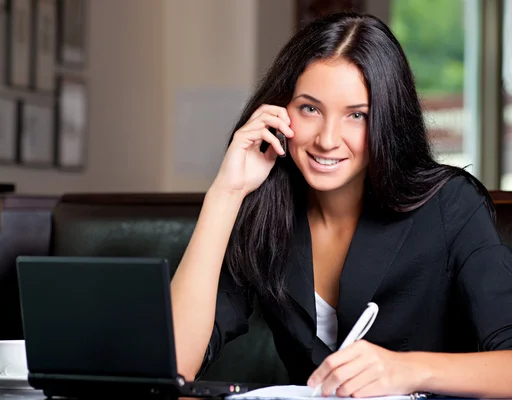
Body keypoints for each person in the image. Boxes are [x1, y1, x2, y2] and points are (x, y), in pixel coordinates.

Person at [170, 10, 512, 398]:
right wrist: (225, 193)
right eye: (310, 109)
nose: (328, 139)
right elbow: (173, 366)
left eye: (357, 116)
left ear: (388, 120)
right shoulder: (264, 211)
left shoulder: (451, 205)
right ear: (281, 110)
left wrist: (409, 369)